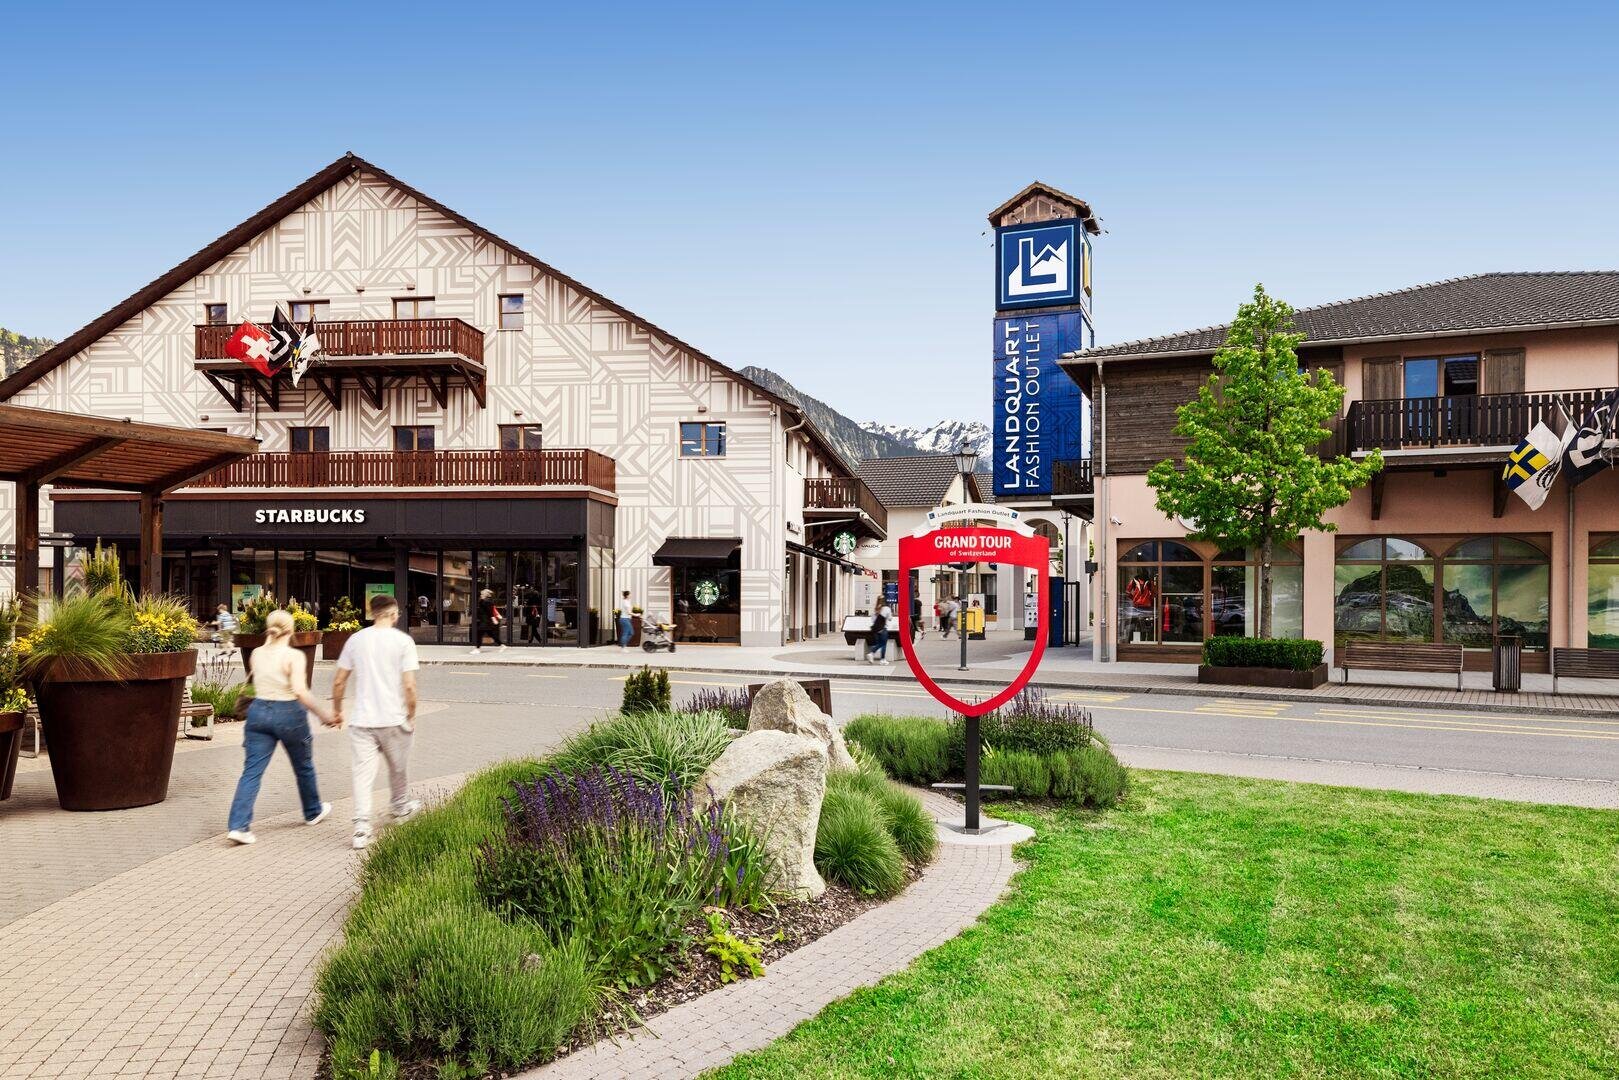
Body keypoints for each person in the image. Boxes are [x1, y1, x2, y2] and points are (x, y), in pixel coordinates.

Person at [226, 610, 336, 845]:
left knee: (251, 771)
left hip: (258, 714)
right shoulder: (293, 656)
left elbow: (255, 683)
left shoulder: (256, 653)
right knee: (303, 765)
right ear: (291, 629)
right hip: (289, 714)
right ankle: (313, 811)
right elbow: (300, 691)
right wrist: (323, 715)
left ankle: (238, 826)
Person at [333, 593, 422, 850]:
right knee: (398, 767)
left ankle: (361, 827)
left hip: (362, 720)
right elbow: (410, 686)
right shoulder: (403, 641)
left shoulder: (355, 640)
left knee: (362, 773)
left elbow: (339, 681)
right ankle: (400, 806)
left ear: (372, 614)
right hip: (393, 718)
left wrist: (337, 710)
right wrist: (411, 714)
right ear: (394, 614)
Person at [469, 588, 506, 654]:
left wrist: (494, 619)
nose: (481, 595)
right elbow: (490, 611)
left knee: (479, 634)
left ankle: (477, 649)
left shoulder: (485, 602)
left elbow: (490, 612)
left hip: (485, 621)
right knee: (491, 634)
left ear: (485, 595)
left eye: (482, 594)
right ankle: (502, 645)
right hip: (485, 621)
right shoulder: (486, 601)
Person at [866, 600, 892, 664]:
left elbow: (873, 620)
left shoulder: (875, 609)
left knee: (879, 643)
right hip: (883, 629)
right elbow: (890, 618)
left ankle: (874, 656)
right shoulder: (886, 609)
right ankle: (876, 656)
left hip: (875, 629)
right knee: (883, 644)